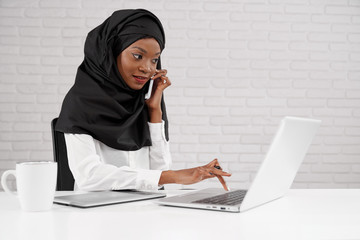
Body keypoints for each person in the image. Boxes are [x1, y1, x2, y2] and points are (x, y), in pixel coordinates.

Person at [55, 9, 231, 192]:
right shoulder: (80, 103)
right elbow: (89, 177)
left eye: (154, 60)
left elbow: (159, 175)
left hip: (144, 210)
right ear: (111, 52)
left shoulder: (141, 104)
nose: (147, 69)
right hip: (97, 214)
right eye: (138, 56)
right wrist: (173, 176)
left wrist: (155, 112)